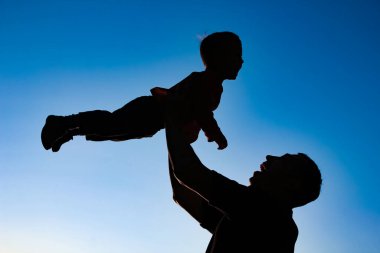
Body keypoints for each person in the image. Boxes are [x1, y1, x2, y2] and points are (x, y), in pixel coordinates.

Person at [41, 31, 244, 152]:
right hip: (150, 111)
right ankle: (62, 123)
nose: (241, 61)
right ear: (222, 58)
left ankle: (69, 130)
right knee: (112, 125)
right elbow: (201, 111)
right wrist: (215, 134)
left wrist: (190, 133)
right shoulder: (207, 82)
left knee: (112, 131)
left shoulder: (212, 85)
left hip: (154, 121)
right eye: (237, 56)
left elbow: (194, 112)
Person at [165, 113, 322, 252]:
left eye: (284, 160)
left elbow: (188, 172)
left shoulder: (267, 215)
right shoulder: (248, 218)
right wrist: (181, 139)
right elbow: (183, 193)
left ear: (292, 183)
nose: (269, 157)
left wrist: (172, 117)